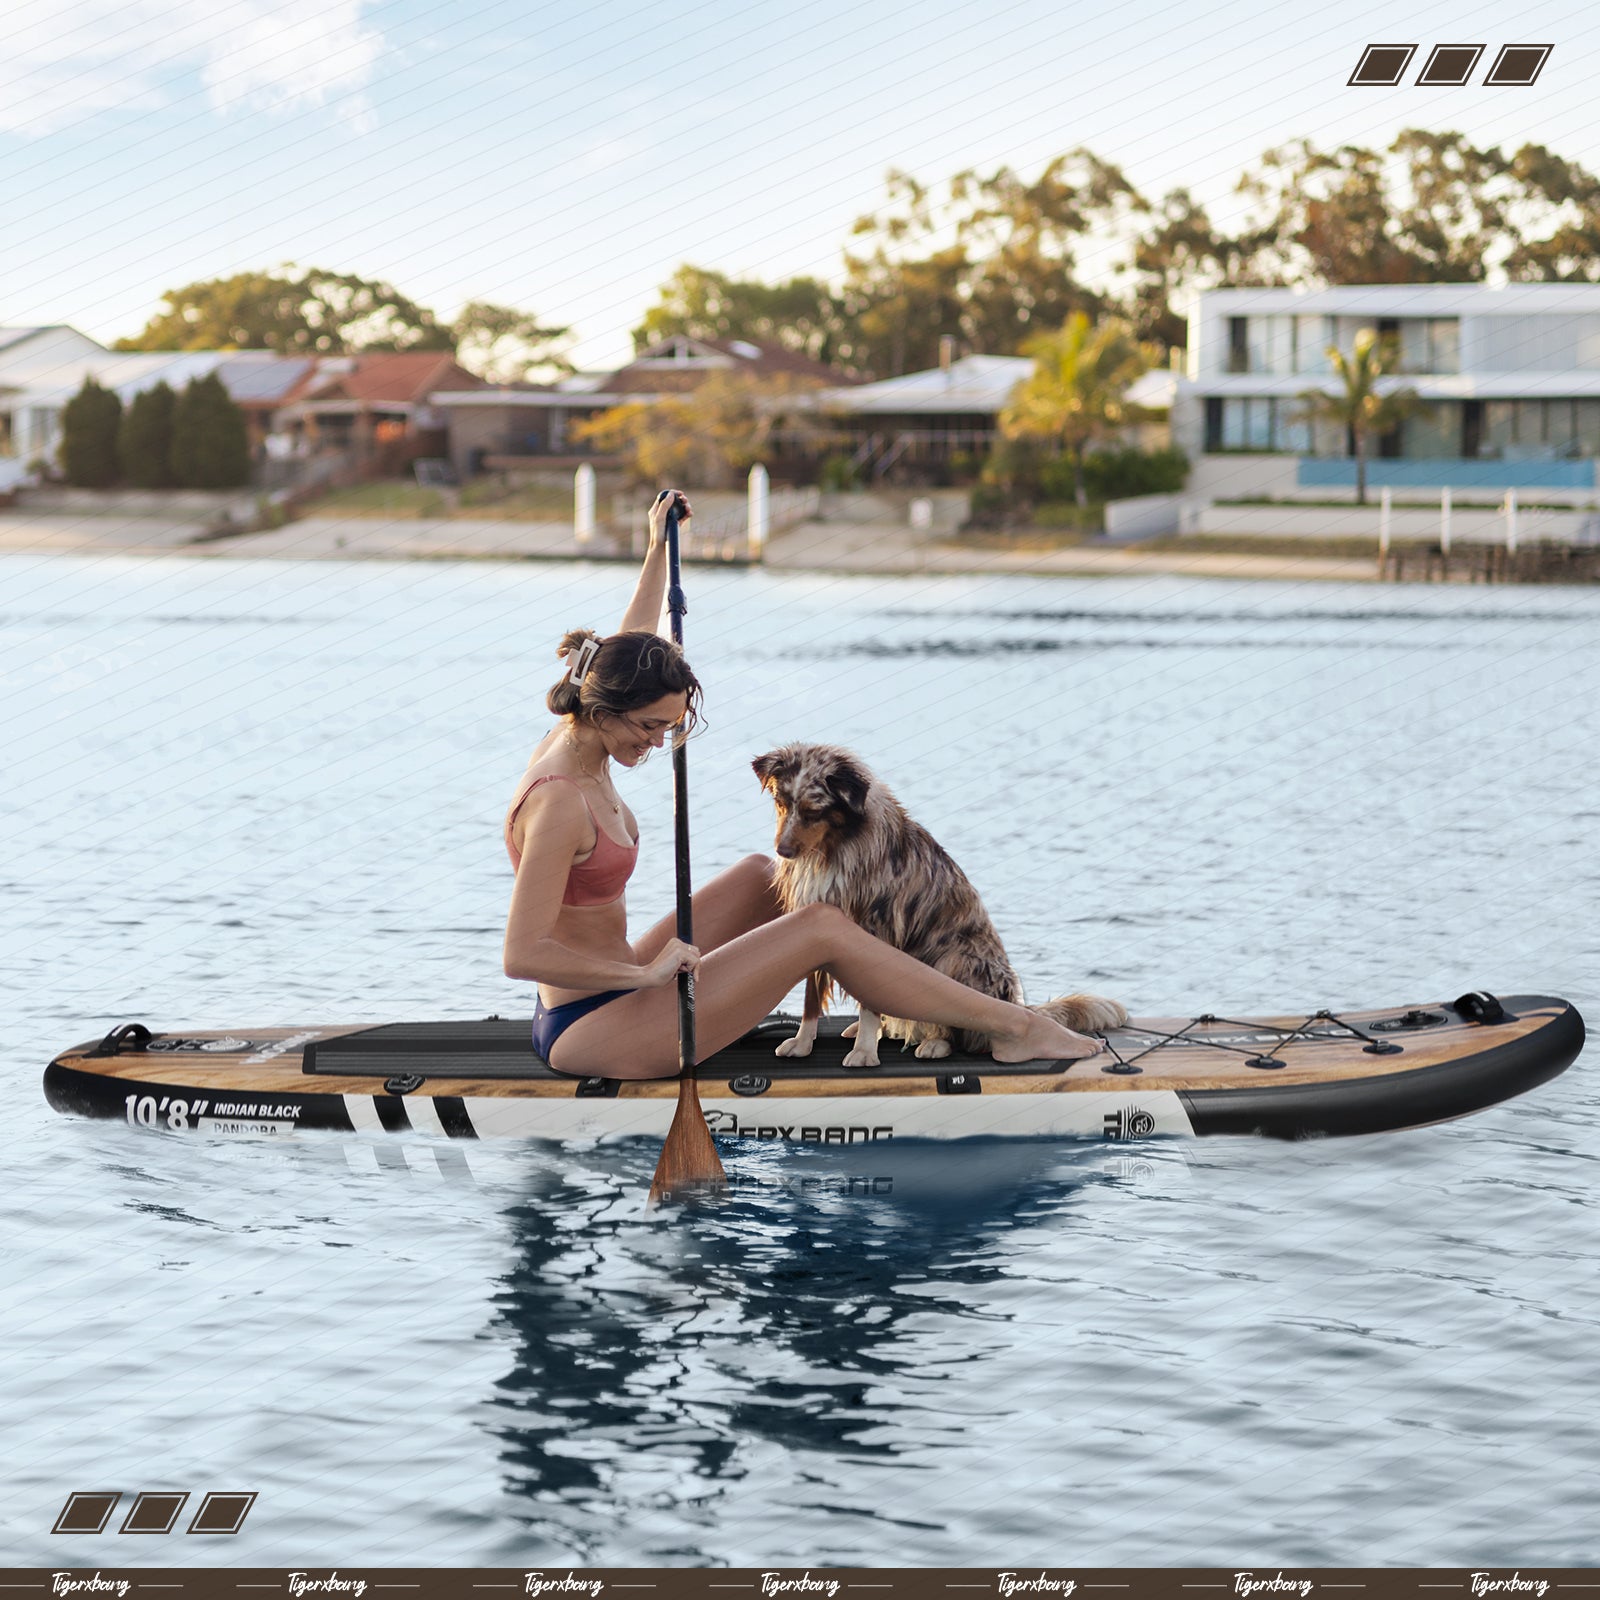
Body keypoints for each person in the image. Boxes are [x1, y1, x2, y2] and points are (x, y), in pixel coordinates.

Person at [502, 489, 1106, 1079]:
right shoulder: (559, 800)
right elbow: (521, 954)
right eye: (650, 727)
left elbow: (634, 640)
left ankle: (914, 1001)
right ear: (607, 710)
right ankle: (1014, 1027)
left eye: (669, 726)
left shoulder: (581, 727)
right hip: (593, 1021)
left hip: (616, 985)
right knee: (820, 926)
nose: (658, 742)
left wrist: (659, 545)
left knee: (763, 876)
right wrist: (649, 975)